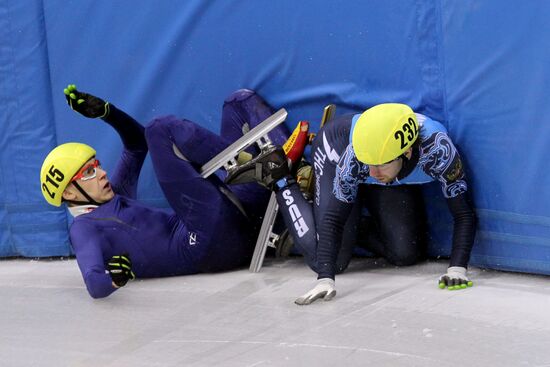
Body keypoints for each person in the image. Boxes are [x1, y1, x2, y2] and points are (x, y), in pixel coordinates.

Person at [40, 85, 292, 299]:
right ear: (70, 194)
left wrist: (107, 112)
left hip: (233, 220)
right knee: (159, 128)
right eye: (88, 173)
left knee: (238, 101)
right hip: (206, 246)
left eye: (96, 167)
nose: (102, 174)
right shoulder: (83, 228)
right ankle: (259, 166)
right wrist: (115, 279)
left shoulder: (115, 193)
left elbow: (136, 142)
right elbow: (94, 283)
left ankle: (290, 171)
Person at [230, 103, 476, 305]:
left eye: (380, 164)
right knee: (330, 261)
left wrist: (457, 269)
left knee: (406, 253)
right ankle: (280, 175)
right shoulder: (356, 160)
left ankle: (341, 216)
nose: (373, 172)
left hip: (388, 173)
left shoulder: (438, 151)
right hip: (335, 149)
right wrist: (325, 278)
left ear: (408, 152)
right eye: (369, 163)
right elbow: (334, 219)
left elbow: (463, 213)